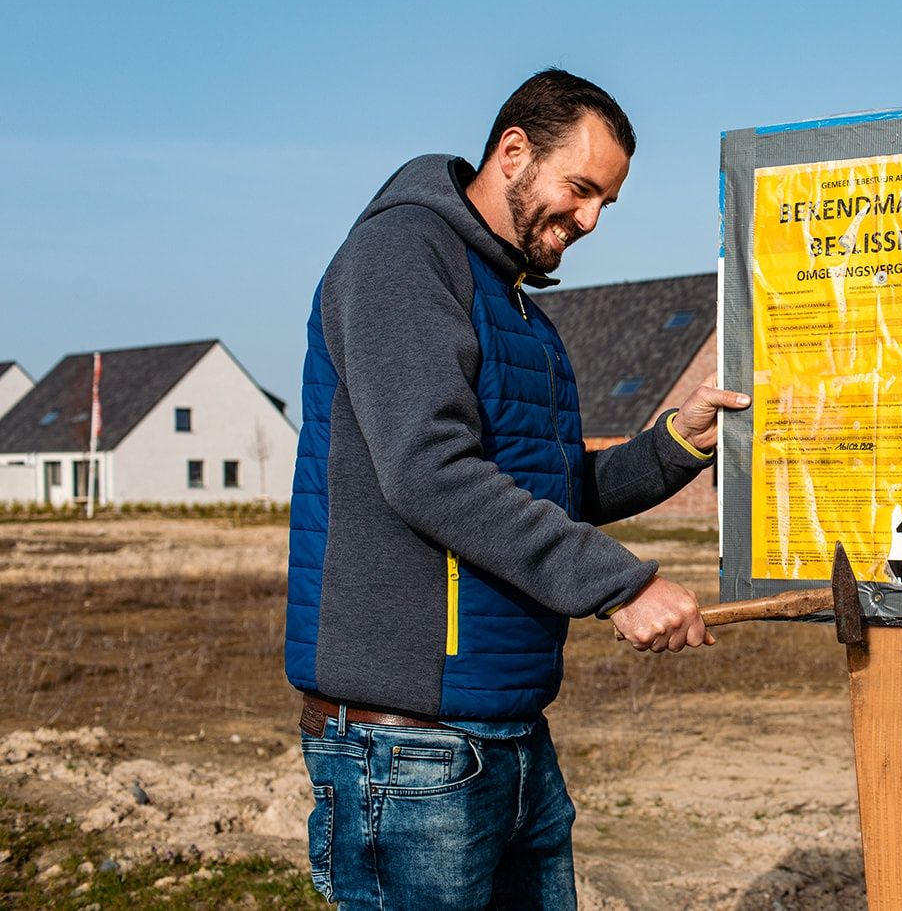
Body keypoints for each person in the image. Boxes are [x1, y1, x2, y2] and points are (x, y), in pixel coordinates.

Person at [286, 68, 747, 910]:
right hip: (411, 743)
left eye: (606, 201)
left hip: (508, 729)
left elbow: (552, 485)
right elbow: (431, 471)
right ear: (512, 153)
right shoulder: (402, 254)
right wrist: (622, 583)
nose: (591, 219)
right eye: (580, 189)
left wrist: (676, 443)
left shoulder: (519, 307)